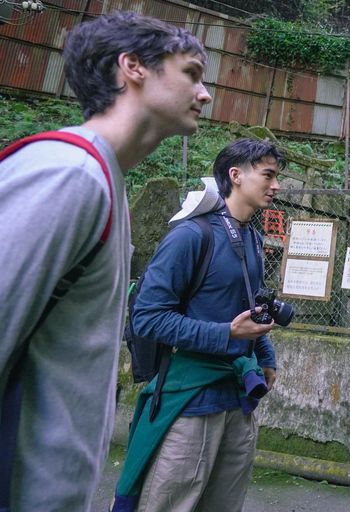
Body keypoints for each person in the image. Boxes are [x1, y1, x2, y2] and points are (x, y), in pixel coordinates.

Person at [0, 11, 211, 512]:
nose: (205, 94)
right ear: (133, 67)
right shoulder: (69, 175)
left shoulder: (101, 179)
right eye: (192, 73)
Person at [111, 138, 285, 512]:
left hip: (239, 398)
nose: (276, 186)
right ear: (235, 176)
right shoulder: (191, 235)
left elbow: (250, 304)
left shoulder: (253, 238)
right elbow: (147, 316)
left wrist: (265, 354)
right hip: (190, 399)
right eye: (268, 175)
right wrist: (225, 334)